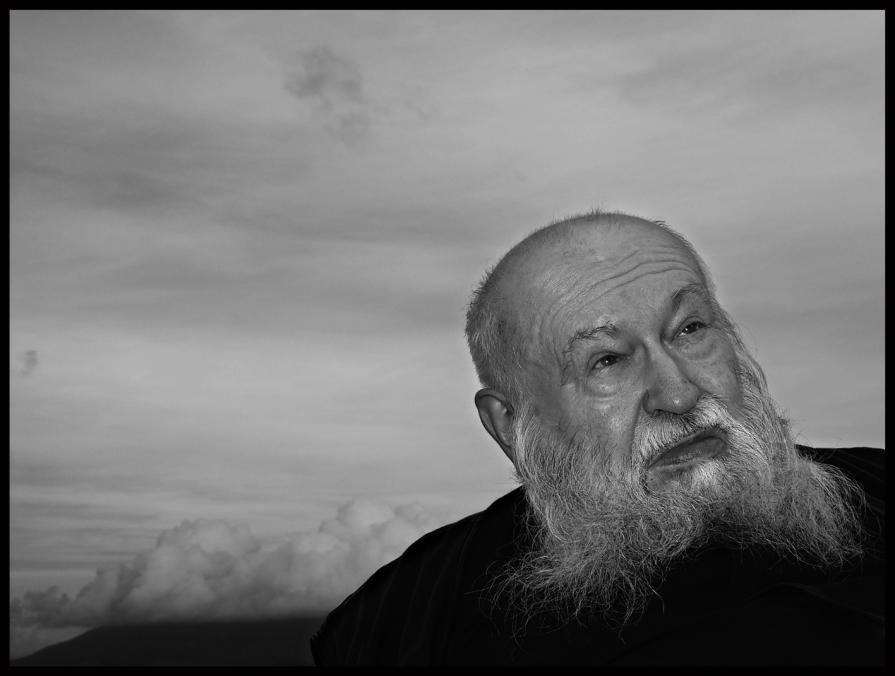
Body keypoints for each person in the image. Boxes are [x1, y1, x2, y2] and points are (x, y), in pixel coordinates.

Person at [310, 211, 884, 666]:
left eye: (689, 329)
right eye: (607, 360)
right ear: (509, 424)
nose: (679, 395)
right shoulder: (407, 620)